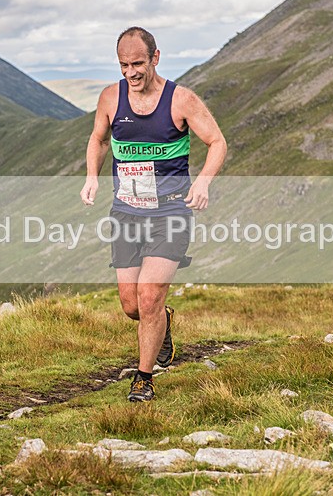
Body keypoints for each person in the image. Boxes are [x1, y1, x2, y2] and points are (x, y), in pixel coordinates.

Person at [80, 27, 226, 402]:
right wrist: (92, 177)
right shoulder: (111, 98)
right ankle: (164, 320)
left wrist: (204, 183)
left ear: (155, 57)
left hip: (171, 212)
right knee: (132, 305)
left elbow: (217, 142)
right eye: (124, 65)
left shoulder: (181, 100)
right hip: (126, 212)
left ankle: (143, 378)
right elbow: (98, 139)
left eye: (138, 63)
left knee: (148, 298)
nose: (131, 72)